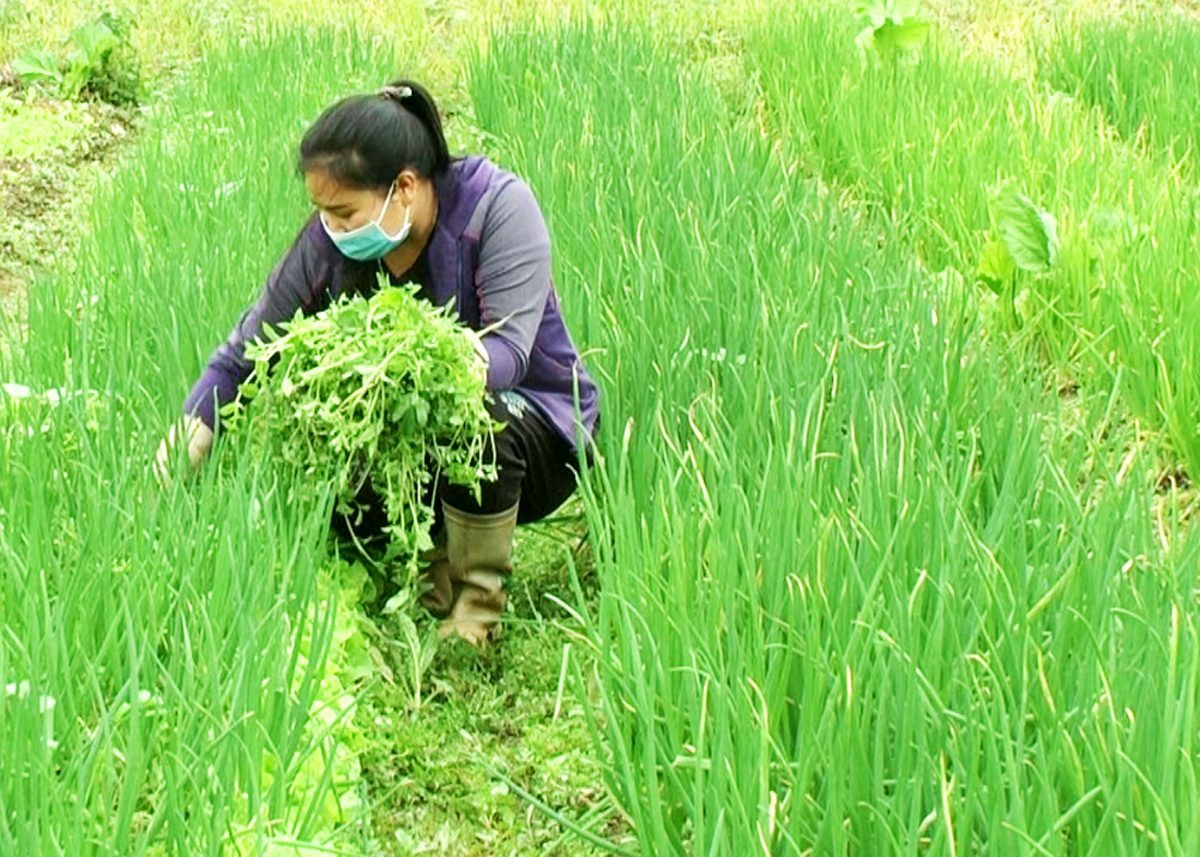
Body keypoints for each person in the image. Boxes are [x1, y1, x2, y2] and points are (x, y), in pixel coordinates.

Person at [159, 80, 600, 646]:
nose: (332, 228)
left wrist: (404, 362)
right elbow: (248, 351)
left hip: (539, 421)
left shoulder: (495, 208)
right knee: (326, 428)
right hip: (417, 423)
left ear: (406, 188)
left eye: (344, 211)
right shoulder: (333, 240)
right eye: (322, 212)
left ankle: (476, 612)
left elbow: (509, 356)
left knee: (472, 410)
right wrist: (177, 456)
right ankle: (424, 578)